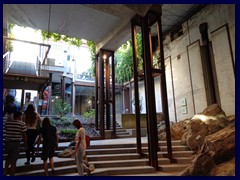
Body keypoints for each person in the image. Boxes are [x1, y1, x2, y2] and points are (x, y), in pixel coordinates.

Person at [3, 111, 27, 176]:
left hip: (7, 143)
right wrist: (25, 145)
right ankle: (11, 175)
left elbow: (5, 131)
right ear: (19, 116)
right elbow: (24, 135)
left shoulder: (7, 123)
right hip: (16, 144)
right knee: (13, 161)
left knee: (8, 157)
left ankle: (4, 172)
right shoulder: (22, 124)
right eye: (21, 116)